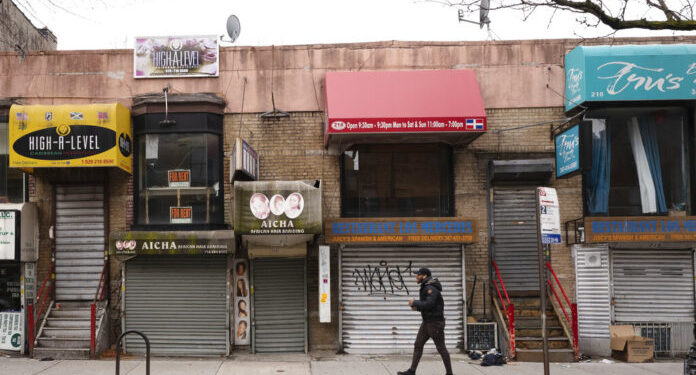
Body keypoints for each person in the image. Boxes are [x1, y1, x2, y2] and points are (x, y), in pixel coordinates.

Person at [398, 267, 453, 375]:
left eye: (418, 275)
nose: (416, 277)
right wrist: (417, 308)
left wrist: (415, 303)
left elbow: (429, 303)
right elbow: (429, 306)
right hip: (427, 322)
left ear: (424, 276)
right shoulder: (426, 286)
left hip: (435, 323)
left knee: (441, 348)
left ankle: (449, 373)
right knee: (418, 344)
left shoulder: (431, 288)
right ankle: (412, 371)